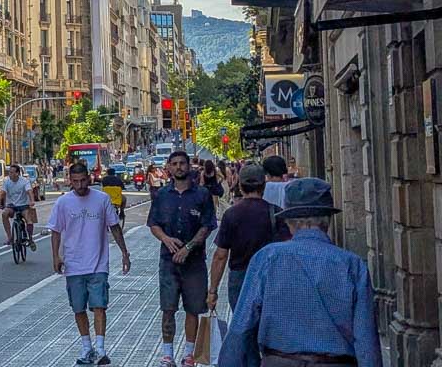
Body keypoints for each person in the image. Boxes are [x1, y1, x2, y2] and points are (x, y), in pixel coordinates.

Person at [220, 178, 382, 367]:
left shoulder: (267, 258)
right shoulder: (352, 265)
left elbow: (241, 328)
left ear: (289, 222)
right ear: (327, 221)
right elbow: (365, 339)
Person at [48, 161, 131, 366]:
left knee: (99, 305)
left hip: (98, 264)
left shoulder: (102, 199)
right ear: (70, 180)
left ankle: (100, 348)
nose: (80, 185)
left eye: (83, 180)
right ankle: (87, 347)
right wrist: (56, 256)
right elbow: (56, 231)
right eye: (75, 181)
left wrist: (124, 253)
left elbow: (114, 227)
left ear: (89, 178)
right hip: (74, 265)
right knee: (78, 308)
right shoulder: (63, 203)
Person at [147, 150, 217, 367]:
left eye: (182, 163)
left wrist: (188, 247)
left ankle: (189, 354)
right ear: (168, 167)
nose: (179, 167)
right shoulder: (161, 195)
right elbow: (153, 223)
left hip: (194, 262)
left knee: (193, 308)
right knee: (167, 308)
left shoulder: (202, 195)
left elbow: (207, 225)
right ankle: (167, 353)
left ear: (189, 167)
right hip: (168, 261)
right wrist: (166, 239)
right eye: (174, 164)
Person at [207, 164, 285, 314]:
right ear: (263, 186)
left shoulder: (231, 215)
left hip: (240, 279)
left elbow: (220, 256)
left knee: (241, 325)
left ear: (241, 187)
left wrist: (213, 291)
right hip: (269, 277)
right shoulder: (276, 213)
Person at [0, 163, 38, 247]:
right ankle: (10, 237)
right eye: (9, 172)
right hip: (11, 205)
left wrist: (32, 201)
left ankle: (30, 239)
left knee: (29, 220)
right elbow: (2, 193)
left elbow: (29, 191)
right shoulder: (6, 181)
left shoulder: (24, 181)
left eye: (12, 172)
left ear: (17, 173)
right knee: (4, 214)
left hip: (23, 205)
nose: (10, 174)